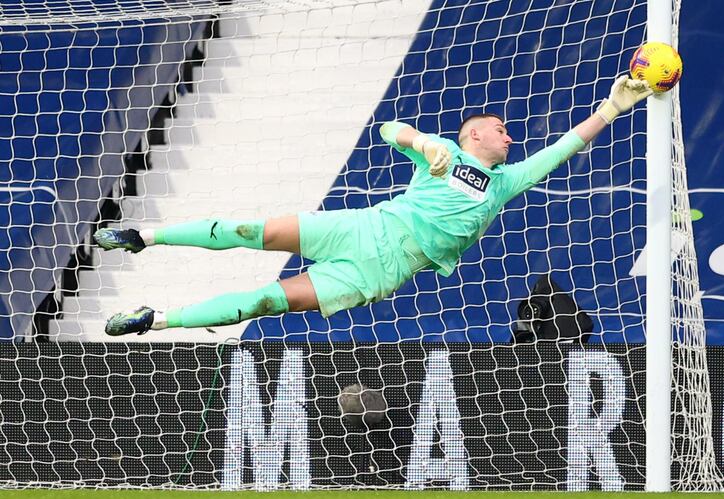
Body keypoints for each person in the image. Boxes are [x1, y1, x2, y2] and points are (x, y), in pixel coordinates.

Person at [96, 75, 652, 336]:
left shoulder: (503, 182)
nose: (510, 137)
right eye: (500, 130)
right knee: (251, 230)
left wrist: (611, 106)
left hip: (380, 269)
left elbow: (562, 149)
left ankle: (156, 319)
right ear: (474, 136)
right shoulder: (444, 152)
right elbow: (389, 128)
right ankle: (144, 237)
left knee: (262, 303)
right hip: (362, 228)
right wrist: (420, 142)